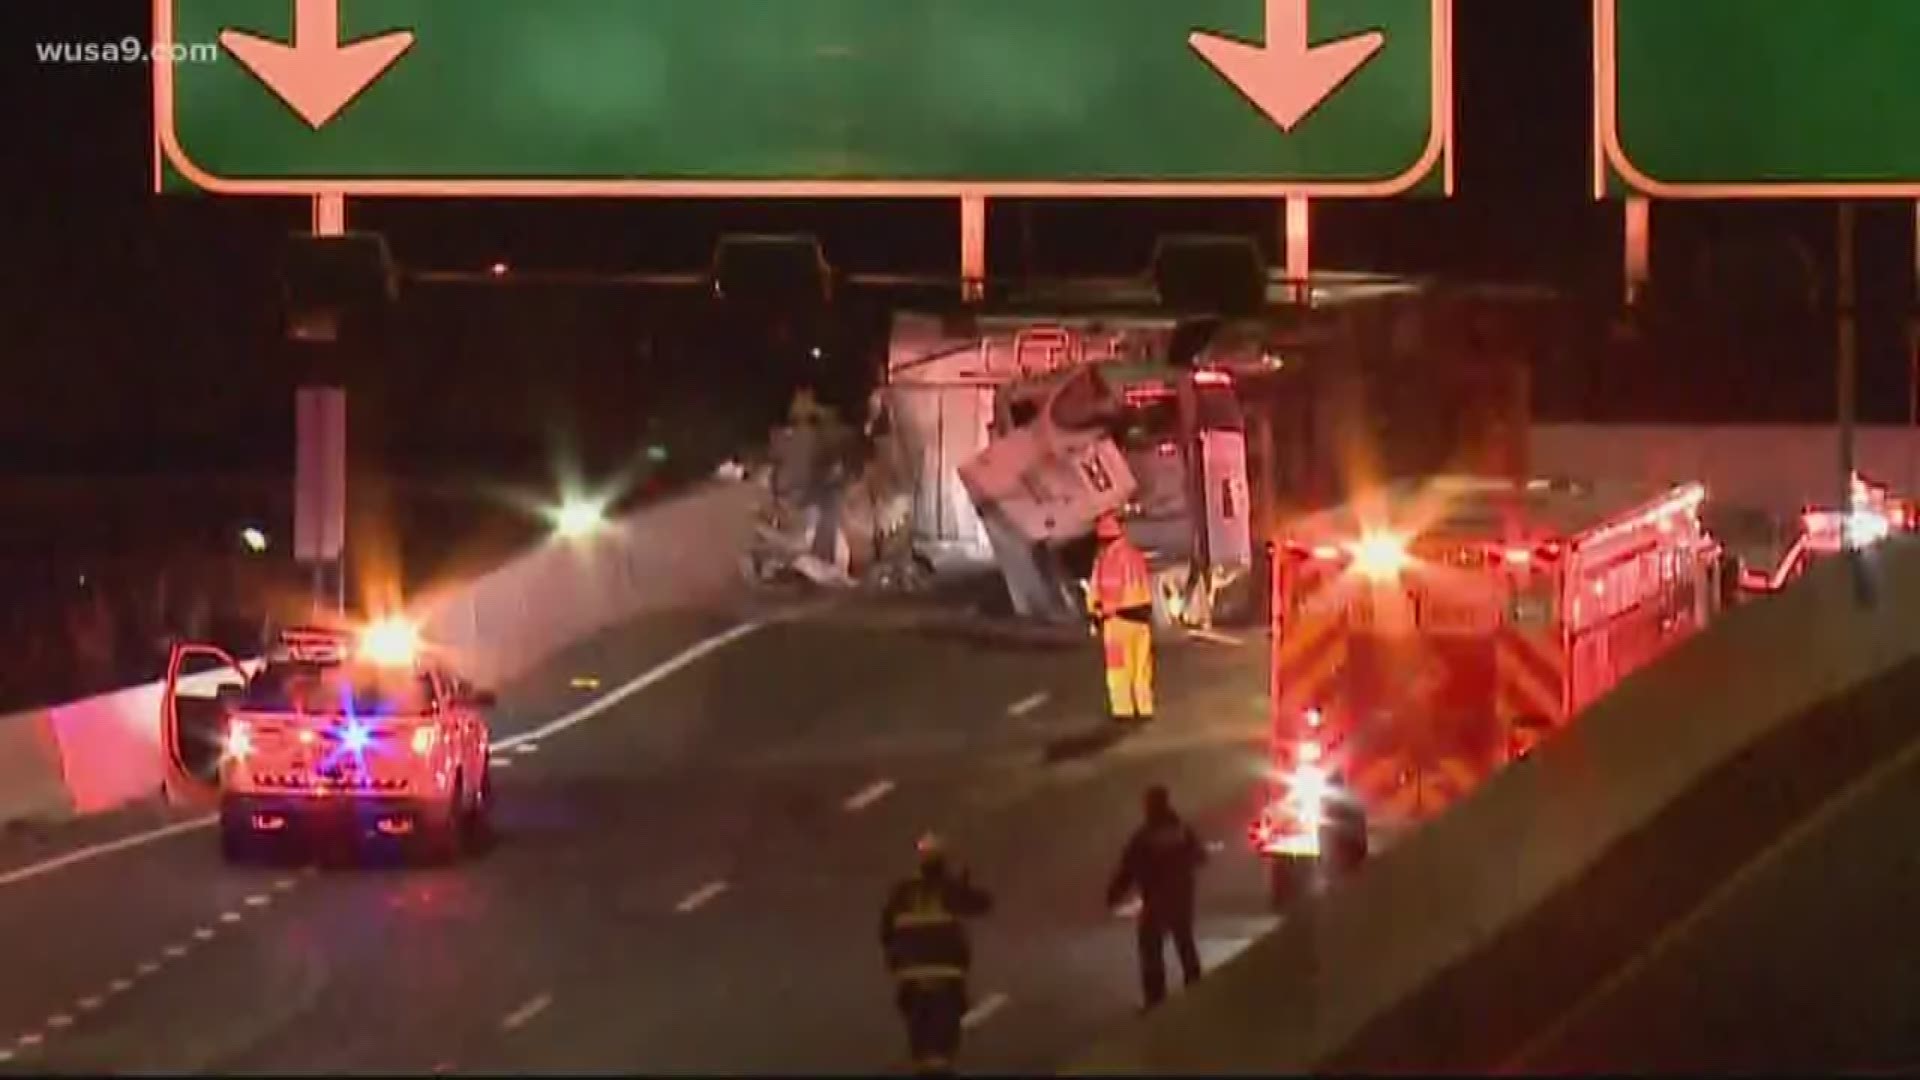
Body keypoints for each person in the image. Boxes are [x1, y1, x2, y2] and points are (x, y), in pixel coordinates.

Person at [880, 833, 994, 1076]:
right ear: (943, 861)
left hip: (910, 975)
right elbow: (982, 904)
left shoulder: (902, 891)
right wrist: (965, 885)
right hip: (947, 974)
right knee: (943, 1042)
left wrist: (896, 961)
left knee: (919, 1035)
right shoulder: (950, 887)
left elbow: (886, 931)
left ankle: (923, 1065)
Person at [1106, 785, 1207, 1010]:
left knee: (1150, 947)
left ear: (1150, 806)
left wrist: (1114, 893)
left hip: (1157, 900)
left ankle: (1156, 1001)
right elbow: (1200, 856)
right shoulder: (1181, 830)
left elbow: (1129, 868)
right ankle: (1197, 991)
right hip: (1182, 898)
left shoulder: (1145, 836)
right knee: (1185, 942)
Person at [1086, 512, 1155, 724]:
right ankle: (1144, 707)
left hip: (1118, 622)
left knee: (1118, 668)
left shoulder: (1107, 559)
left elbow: (1107, 591)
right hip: (1141, 621)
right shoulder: (1135, 555)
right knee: (1141, 667)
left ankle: (1123, 710)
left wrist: (1096, 615)